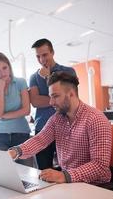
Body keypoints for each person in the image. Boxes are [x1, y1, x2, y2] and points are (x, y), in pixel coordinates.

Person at [9, 71, 112, 184]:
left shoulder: (95, 119)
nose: (51, 102)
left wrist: (64, 176)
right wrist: (16, 151)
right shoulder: (57, 119)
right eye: (50, 97)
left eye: (55, 96)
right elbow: (40, 140)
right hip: (69, 182)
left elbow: (100, 166)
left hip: (94, 185)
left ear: (71, 94)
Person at [29, 38, 76, 170]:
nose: (42, 60)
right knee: (44, 172)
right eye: (38, 56)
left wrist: (48, 77)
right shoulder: (33, 77)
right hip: (42, 129)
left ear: (52, 52)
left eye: (45, 55)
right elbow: (35, 102)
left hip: (66, 128)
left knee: (68, 169)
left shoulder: (68, 72)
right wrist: (58, 97)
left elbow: (70, 98)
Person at [0, 52, 32, 166]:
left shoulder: (20, 82)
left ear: (9, 66)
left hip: (21, 134)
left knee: (26, 174)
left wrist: (4, 116)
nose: (2, 73)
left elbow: (26, 110)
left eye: (4, 68)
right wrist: (1, 87)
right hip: (0, 136)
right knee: (2, 173)